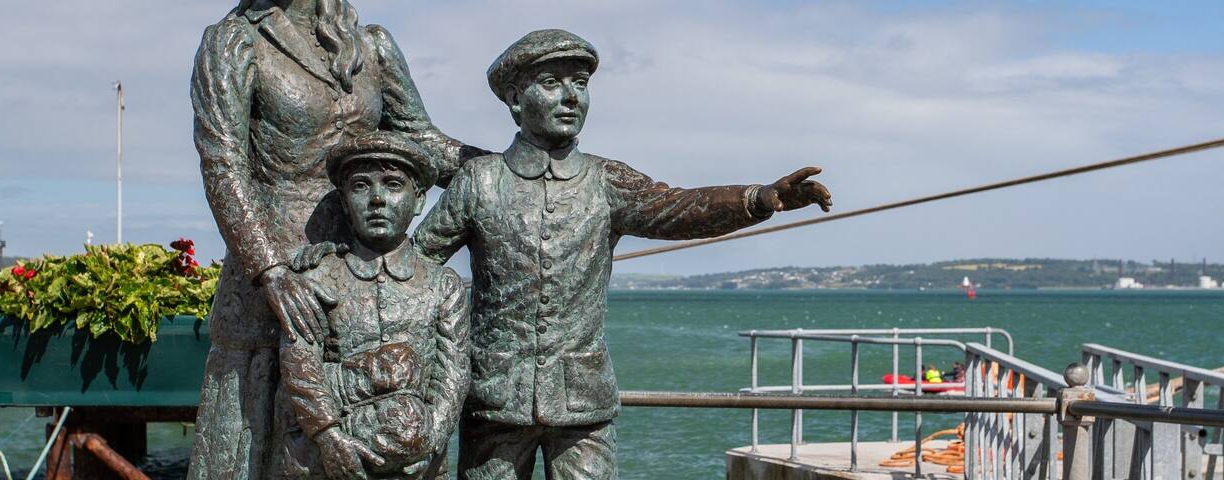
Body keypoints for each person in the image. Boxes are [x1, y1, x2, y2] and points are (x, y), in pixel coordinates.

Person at [412, 29, 832, 479]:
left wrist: (759, 199)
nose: (571, 97)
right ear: (515, 98)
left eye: (580, 83)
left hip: (583, 405)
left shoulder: (605, 180)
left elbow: (677, 207)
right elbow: (417, 268)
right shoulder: (478, 180)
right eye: (552, 83)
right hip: (495, 400)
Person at [189, 1, 488, 477]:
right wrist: (271, 270)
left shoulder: (372, 46)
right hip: (275, 281)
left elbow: (423, 141)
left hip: (362, 279)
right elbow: (223, 166)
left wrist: (505, 170)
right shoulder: (235, 41)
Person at [276, 133, 468, 478]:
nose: (377, 199)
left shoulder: (444, 285)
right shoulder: (316, 278)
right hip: (330, 464)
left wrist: (432, 439)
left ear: (419, 200)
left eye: (393, 185)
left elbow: (453, 373)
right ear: (344, 202)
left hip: (418, 466)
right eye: (361, 186)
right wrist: (329, 436)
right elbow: (300, 365)